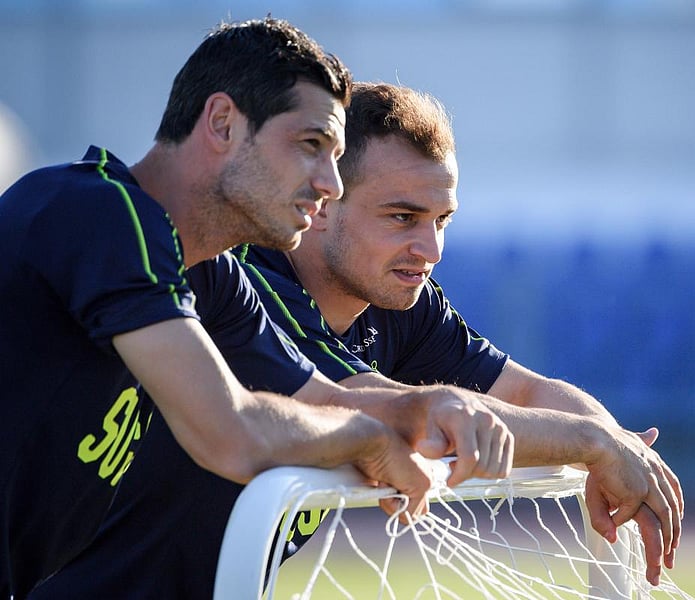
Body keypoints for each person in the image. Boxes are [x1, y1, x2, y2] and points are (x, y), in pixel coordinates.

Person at [30, 82, 683, 598]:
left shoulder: (400, 302)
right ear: (324, 205)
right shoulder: (248, 281)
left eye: (441, 220)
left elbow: (527, 391)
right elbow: (382, 409)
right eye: (402, 217)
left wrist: (618, 448)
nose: (428, 249)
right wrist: (595, 444)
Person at [0, 20, 515, 598]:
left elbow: (327, 401)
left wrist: (424, 409)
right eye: (310, 145)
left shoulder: (211, 273)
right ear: (222, 123)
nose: (330, 184)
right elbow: (233, 434)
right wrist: (368, 440)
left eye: (337, 155)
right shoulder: (100, 214)